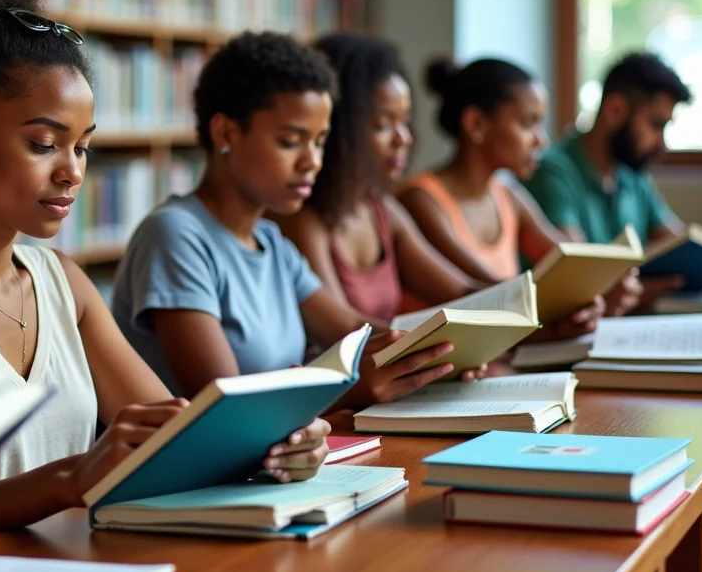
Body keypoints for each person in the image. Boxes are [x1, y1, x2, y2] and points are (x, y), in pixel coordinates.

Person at [0, 0, 330, 534]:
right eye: (45, 144)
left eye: (83, 147)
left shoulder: (60, 280)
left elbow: (179, 434)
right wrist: (71, 478)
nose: (72, 172)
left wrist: (278, 443)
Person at [111, 31, 470, 406]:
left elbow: (350, 329)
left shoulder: (271, 243)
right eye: (291, 141)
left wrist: (444, 356)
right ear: (226, 133)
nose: (312, 161)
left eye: (318, 142)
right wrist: (347, 391)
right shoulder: (174, 235)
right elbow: (222, 407)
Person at [275, 33, 486, 332]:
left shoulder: (382, 209)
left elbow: (461, 292)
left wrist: (538, 310)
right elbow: (345, 335)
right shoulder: (304, 220)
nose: (404, 138)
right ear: (337, 127)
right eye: (383, 124)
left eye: (405, 121)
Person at [398, 57, 636, 319]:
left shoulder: (509, 196)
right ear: (476, 124)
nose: (540, 140)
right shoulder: (420, 200)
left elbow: (564, 257)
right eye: (527, 123)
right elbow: (485, 292)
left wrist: (608, 281)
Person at [522, 51, 690, 305]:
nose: (661, 144)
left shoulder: (633, 175)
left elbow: (679, 243)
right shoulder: (552, 171)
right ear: (614, 110)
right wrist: (649, 289)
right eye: (656, 125)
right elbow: (575, 278)